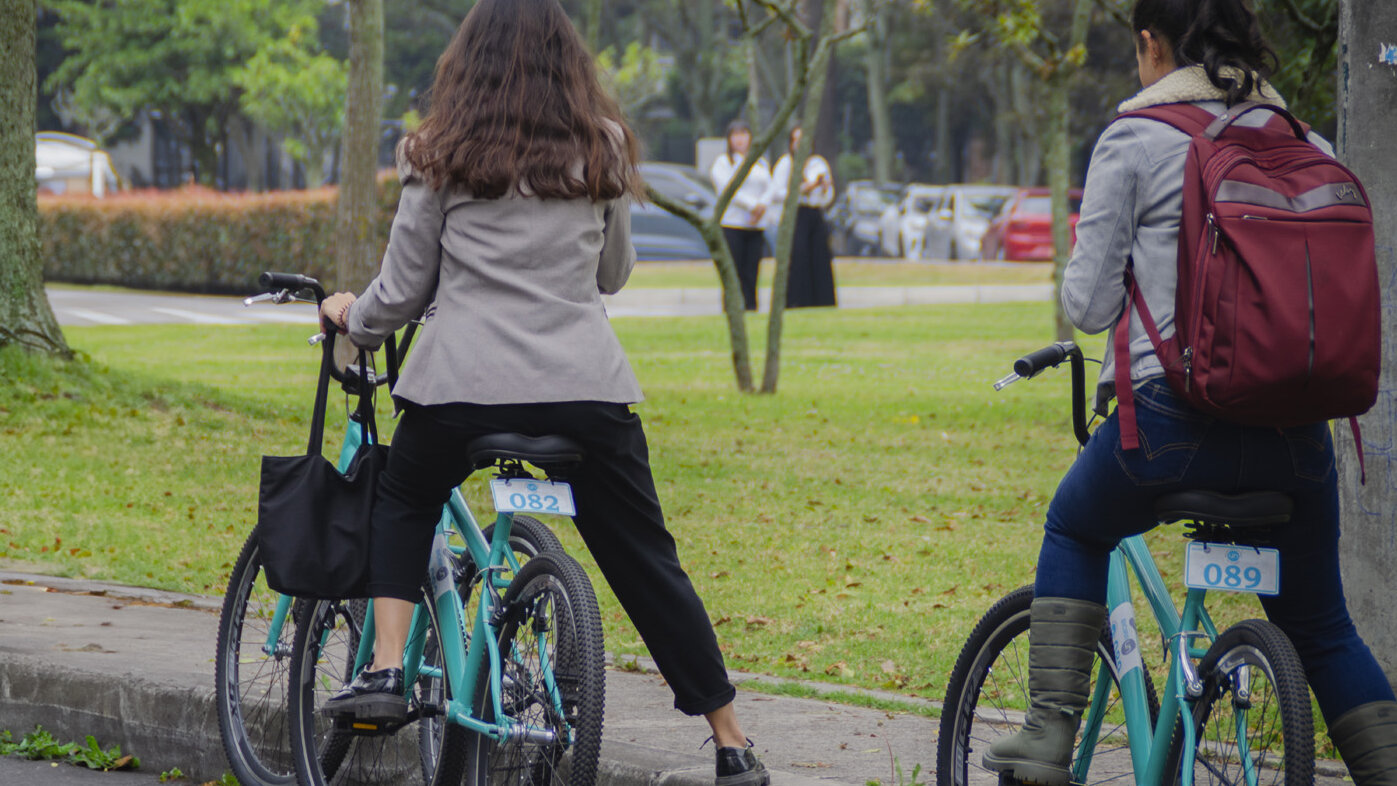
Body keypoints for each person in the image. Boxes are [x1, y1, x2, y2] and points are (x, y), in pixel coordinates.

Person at [315, 3, 769, 784]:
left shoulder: (437, 152)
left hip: (461, 392)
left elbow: (400, 290)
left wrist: (348, 318)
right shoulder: (605, 147)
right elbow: (611, 276)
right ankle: (730, 739)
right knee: (646, 559)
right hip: (583, 393)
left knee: (401, 495)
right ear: (570, 62)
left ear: (468, 61)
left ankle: (387, 668)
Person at [981, 1, 1397, 785]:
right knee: (1322, 626)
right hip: (1297, 440)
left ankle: (1046, 734)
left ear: (1150, 42)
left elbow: (1089, 307)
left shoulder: (1134, 139)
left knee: (1074, 527)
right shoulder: (1308, 143)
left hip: (1170, 428)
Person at [765, 126, 837, 308]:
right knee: (799, 257)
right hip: (796, 214)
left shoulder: (818, 163)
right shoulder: (786, 164)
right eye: (796, 140)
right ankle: (797, 301)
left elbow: (828, 196)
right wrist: (801, 190)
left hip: (815, 213)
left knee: (820, 257)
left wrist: (824, 188)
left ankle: (822, 302)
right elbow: (776, 193)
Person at [709, 120, 772, 311]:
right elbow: (727, 189)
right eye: (735, 135)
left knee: (751, 271)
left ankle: (751, 307)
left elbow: (770, 187)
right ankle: (733, 309)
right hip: (732, 224)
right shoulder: (723, 162)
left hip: (755, 225)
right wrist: (752, 206)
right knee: (733, 271)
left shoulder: (760, 161)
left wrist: (762, 207)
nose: (740, 139)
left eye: (744, 134)